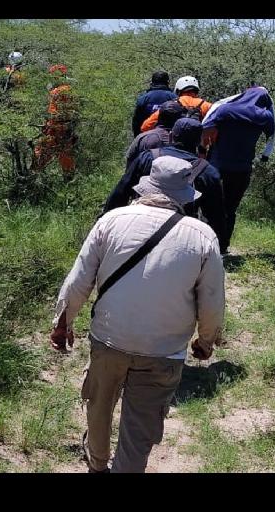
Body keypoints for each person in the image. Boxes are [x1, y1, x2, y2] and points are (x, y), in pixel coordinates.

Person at [50, 156, 225, 473]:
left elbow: (78, 281)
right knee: (141, 426)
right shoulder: (202, 236)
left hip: (109, 338)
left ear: (148, 185)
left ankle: (96, 465)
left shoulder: (111, 221)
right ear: (186, 192)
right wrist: (207, 340)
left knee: (99, 406)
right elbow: (212, 300)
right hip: (163, 349)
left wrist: (63, 322)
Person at [102, 118, 228, 253]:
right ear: (198, 141)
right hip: (180, 237)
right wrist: (220, 244)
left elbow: (122, 191)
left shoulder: (147, 157)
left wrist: (105, 221)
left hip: (139, 226)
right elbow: (216, 214)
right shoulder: (207, 171)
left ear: (171, 136)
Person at [200, 84, 275, 254]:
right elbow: (272, 134)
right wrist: (265, 155)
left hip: (216, 165)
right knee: (230, 208)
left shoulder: (225, 110)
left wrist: (202, 152)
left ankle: (205, 243)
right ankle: (223, 246)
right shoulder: (265, 116)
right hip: (242, 168)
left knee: (210, 204)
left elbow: (205, 129)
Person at [33, 64, 79, 175]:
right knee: (66, 154)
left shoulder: (56, 92)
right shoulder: (72, 90)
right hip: (69, 128)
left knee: (42, 151)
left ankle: (34, 175)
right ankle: (69, 177)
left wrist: (47, 126)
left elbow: (53, 113)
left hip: (56, 128)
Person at [140, 76, 212, 133]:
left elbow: (145, 127)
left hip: (174, 145)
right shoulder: (207, 106)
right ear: (196, 90)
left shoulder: (171, 105)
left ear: (178, 91)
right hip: (198, 145)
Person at [124, 101, 186, 166]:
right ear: (179, 119)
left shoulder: (143, 137)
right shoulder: (184, 141)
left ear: (158, 116)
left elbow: (130, 161)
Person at [131, 71, 177, 137]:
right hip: (169, 137)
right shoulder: (174, 98)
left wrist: (137, 138)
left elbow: (136, 122)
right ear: (167, 82)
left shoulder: (143, 98)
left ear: (152, 82)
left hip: (147, 137)